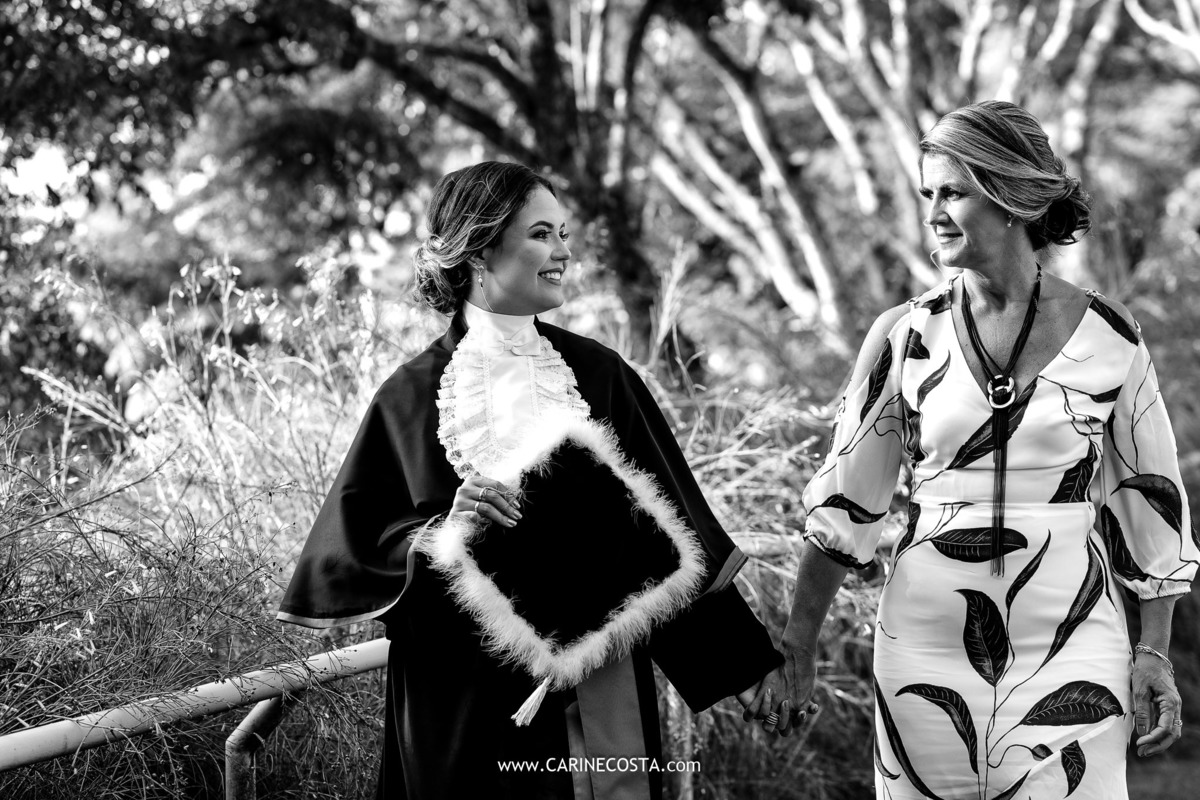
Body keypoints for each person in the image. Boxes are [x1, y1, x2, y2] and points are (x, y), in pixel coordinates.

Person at [277, 160, 783, 799]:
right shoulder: (407, 398)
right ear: (480, 249)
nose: (564, 251)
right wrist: (442, 532)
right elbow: (352, 551)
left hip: (599, 685)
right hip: (460, 695)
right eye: (542, 234)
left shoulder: (599, 375)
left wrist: (749, 668)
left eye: (563, 234)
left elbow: (669, 537)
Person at [748, 101, 1199, 798]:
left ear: (1011, 196)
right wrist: (798, 644)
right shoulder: (905, 336)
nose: (932, 213)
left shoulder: (1111, 337)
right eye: (927, 193)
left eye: (952, 193)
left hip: (1074, 649)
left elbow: (1153, 503)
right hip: (923, 657)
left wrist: (1154, 652)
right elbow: (846, 506)